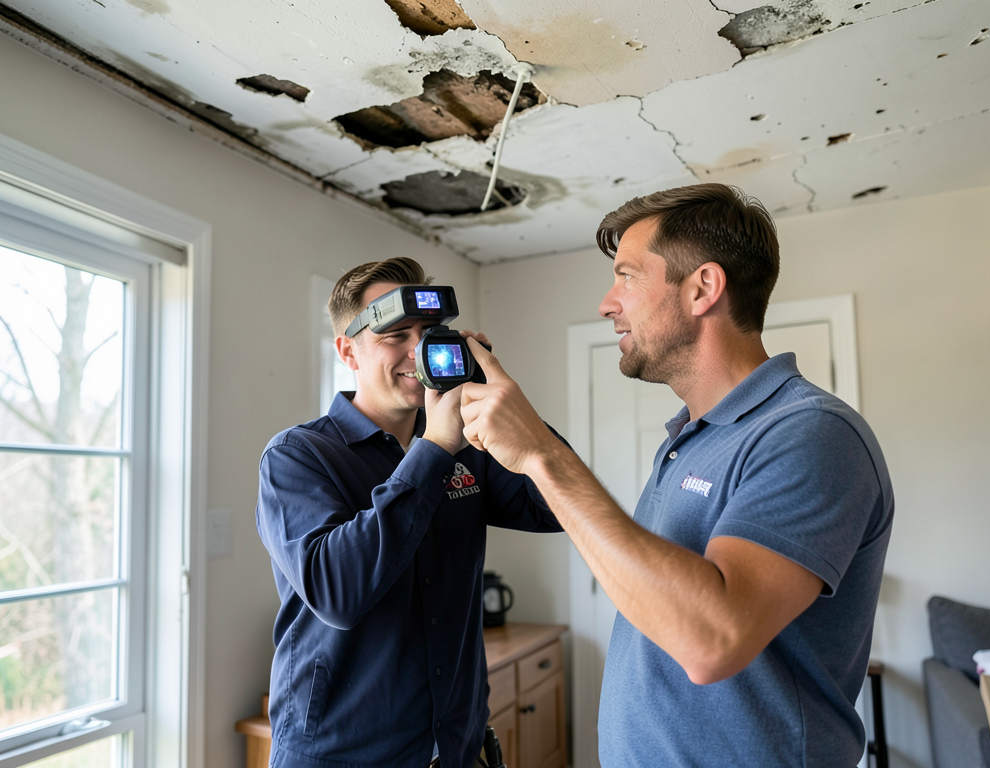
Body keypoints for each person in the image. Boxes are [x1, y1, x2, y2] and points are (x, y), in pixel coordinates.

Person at [460, 183, 894, 767]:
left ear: (702, 289)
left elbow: (711, 641)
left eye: (628, 277)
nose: (607, 303)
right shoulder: (689, 441)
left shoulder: (810, 434)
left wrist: (541, 454)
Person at [256, 256, 562, 768]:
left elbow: (558, 505)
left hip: (458, 751)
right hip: (341, 756)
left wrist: (503, 402)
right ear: (347, 350)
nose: (418, 350)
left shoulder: (468, 442)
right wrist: (436, 446)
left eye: (429, 332)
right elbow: (338, 591)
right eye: (396, 334)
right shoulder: (297, 456)